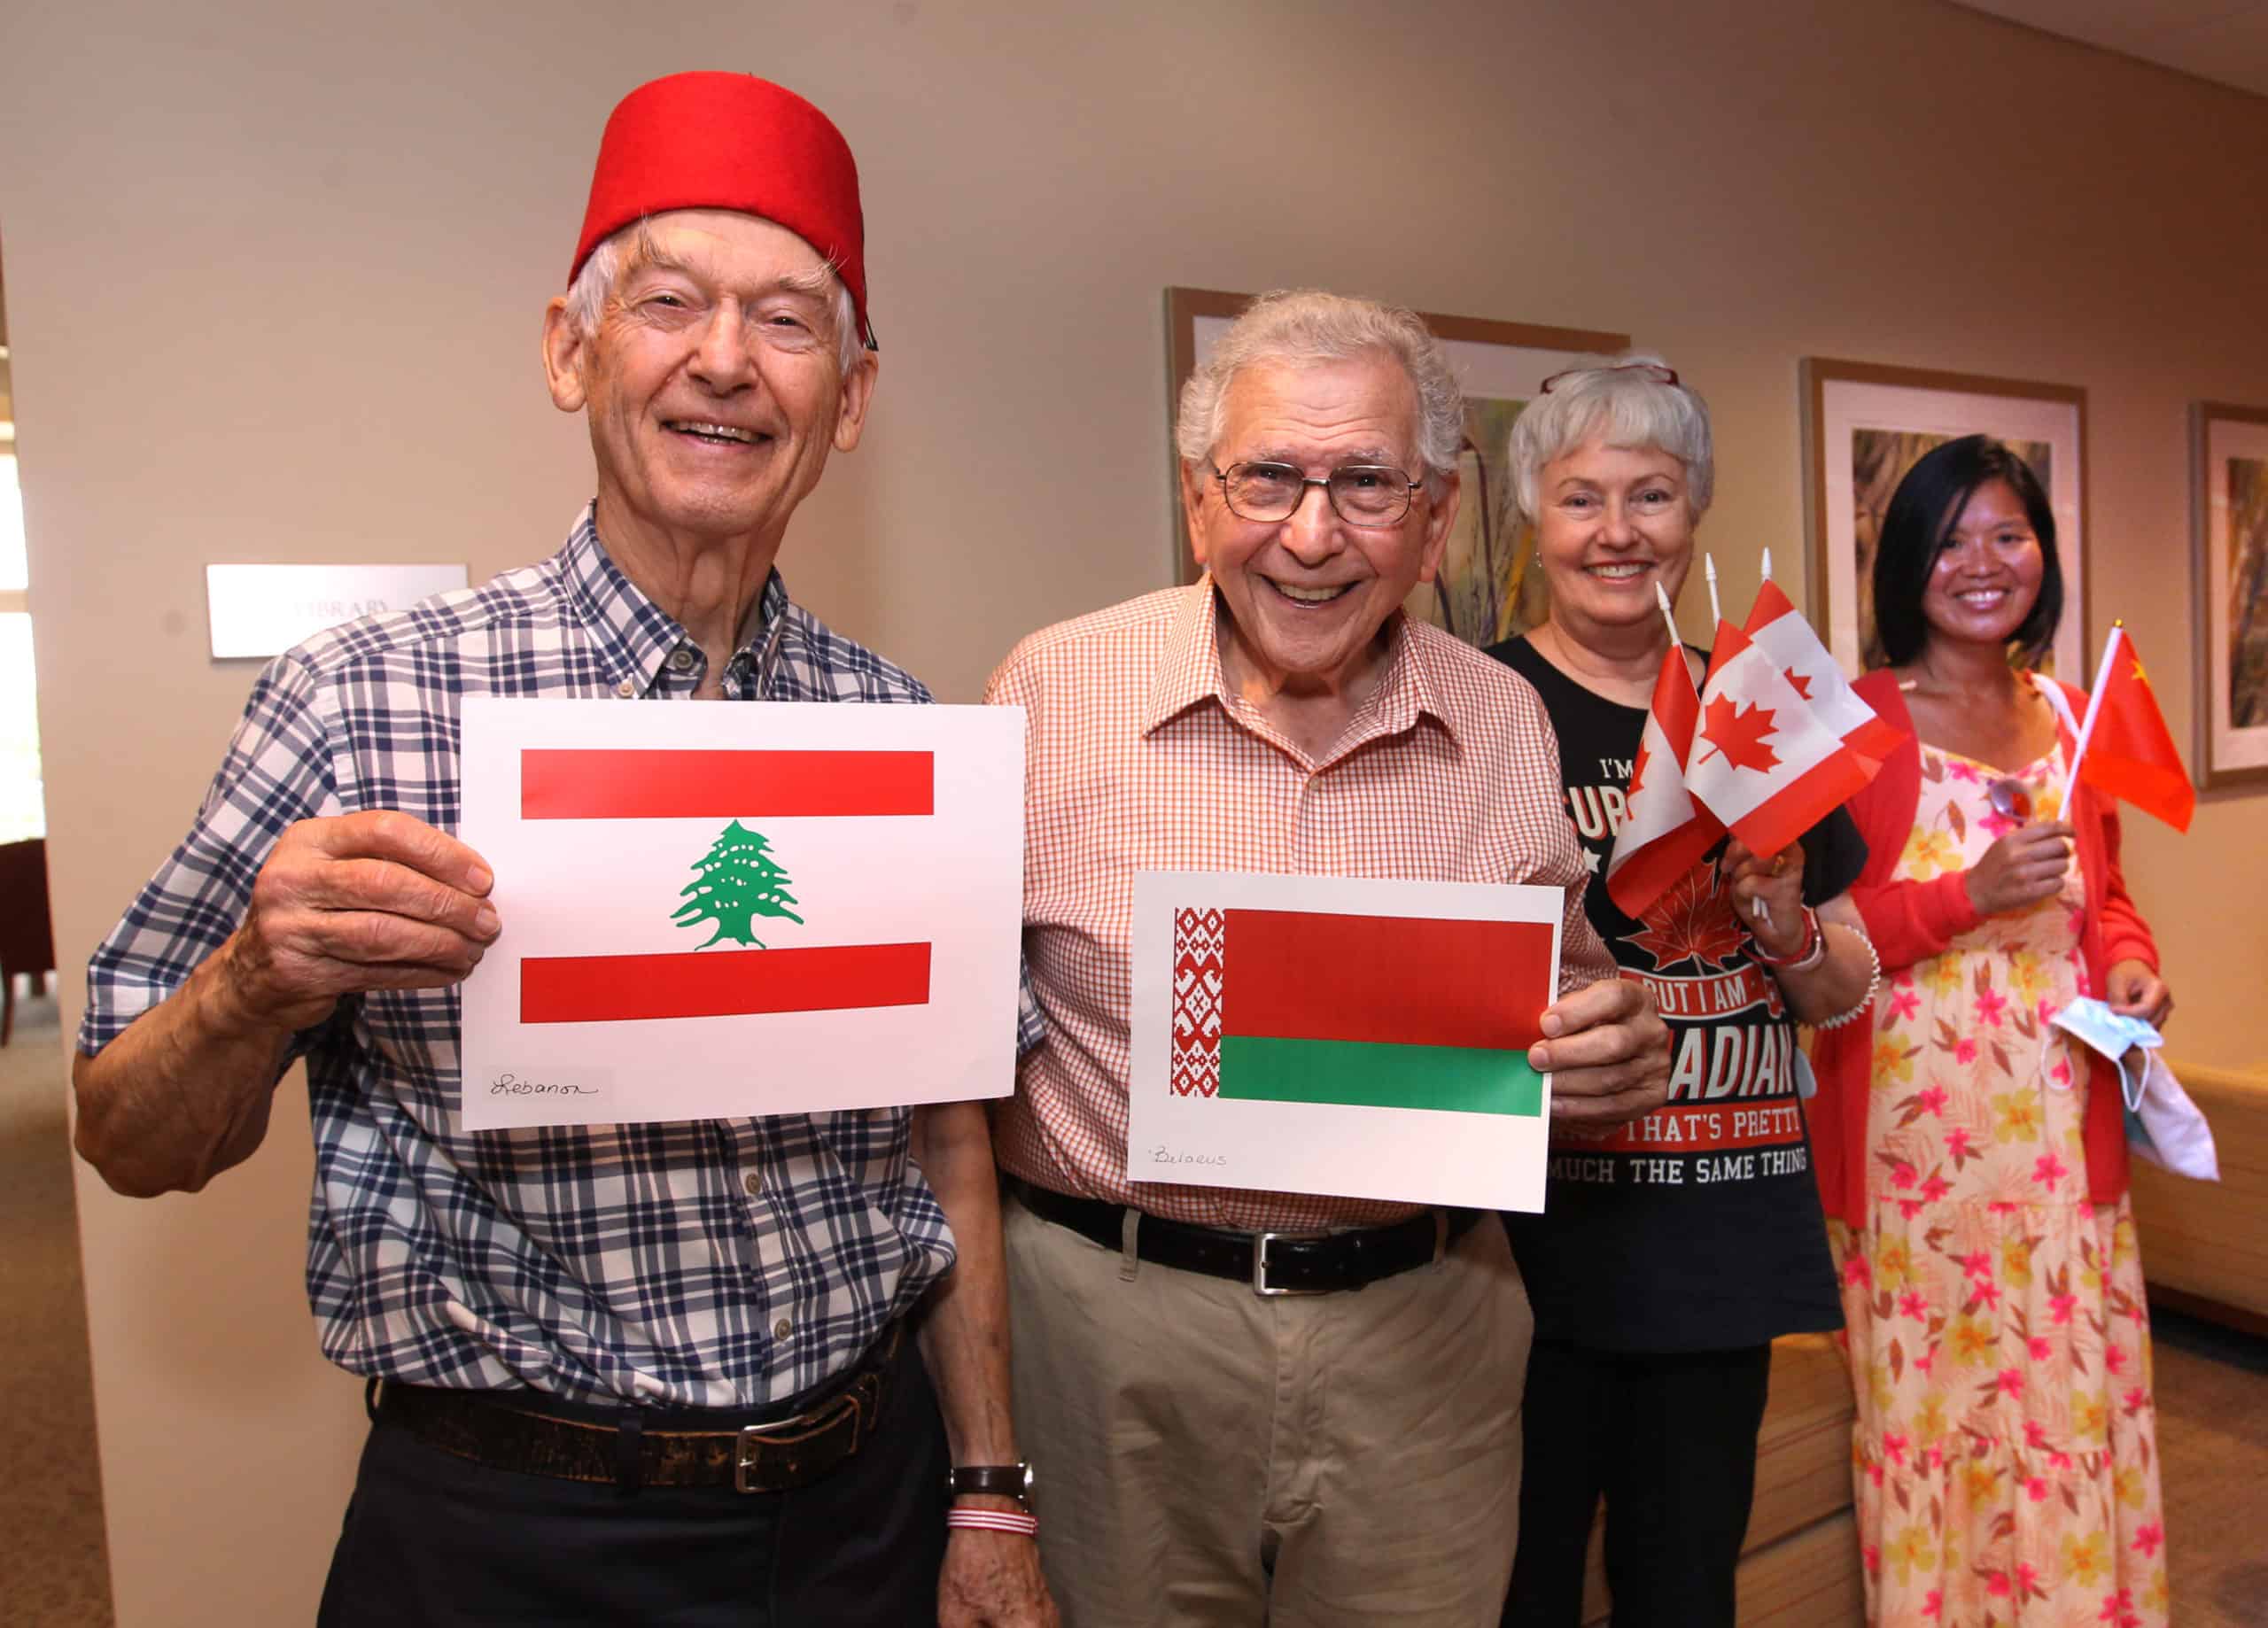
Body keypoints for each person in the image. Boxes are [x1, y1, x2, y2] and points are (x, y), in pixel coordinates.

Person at [72, 71, 1052, 1628]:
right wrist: (255, 981)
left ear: (851, 402)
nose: (724, 360)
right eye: (667, 301)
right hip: (510, 1541)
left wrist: (990, 1489)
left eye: (790, 321)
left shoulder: (897, 734)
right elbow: (126, 1134)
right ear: (569, 349)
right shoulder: (367, 697)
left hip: (862, 1514)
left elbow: (948, 1148)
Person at [984, 290, 1672, 1628]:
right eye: (1269, 478)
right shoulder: (1051, 690)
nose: (1312, 533)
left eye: (1367, 482)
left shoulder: (1505, 720)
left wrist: (1610, 1038)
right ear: (1198, 501)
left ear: (1432, 517)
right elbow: (948, 1049)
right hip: (1111, 1335)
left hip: (1424, 1335)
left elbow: (1572, 980)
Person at [1480, 358, 1873, 1627]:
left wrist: (1783, 918)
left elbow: (1845, 986)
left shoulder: (1760, 708)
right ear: (1533, 519)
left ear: (1694, 510)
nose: (1616, 530)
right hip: (1533, 1248)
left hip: (1721, 1232)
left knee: (1687, 1587)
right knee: (1522, 1587)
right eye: (1580, 496)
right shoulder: (1481, 707)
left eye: (1649, 494)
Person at [1811, 435, 2172, 1625]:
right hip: (1921, 1164)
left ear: (2043, 555)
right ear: (1906, 561)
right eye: (1950, 537)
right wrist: (1971, 891)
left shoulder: (2071, 712)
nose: (1982, 562)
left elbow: (2105, 896)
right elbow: (1819, 937)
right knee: (1941, 1429)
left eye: (2008, 534)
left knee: (2071, 1414)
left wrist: (2130, 966)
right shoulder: (1857, 725)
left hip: (2067, 1140)